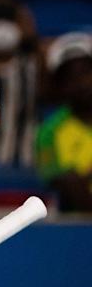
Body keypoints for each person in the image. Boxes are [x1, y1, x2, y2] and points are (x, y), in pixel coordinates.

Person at [36, 32, 92, 212]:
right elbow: (69, 188)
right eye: (71, 77)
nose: (82, 83)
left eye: (86, 72)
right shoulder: (49, 132)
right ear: (59, 86)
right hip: (77, 226)